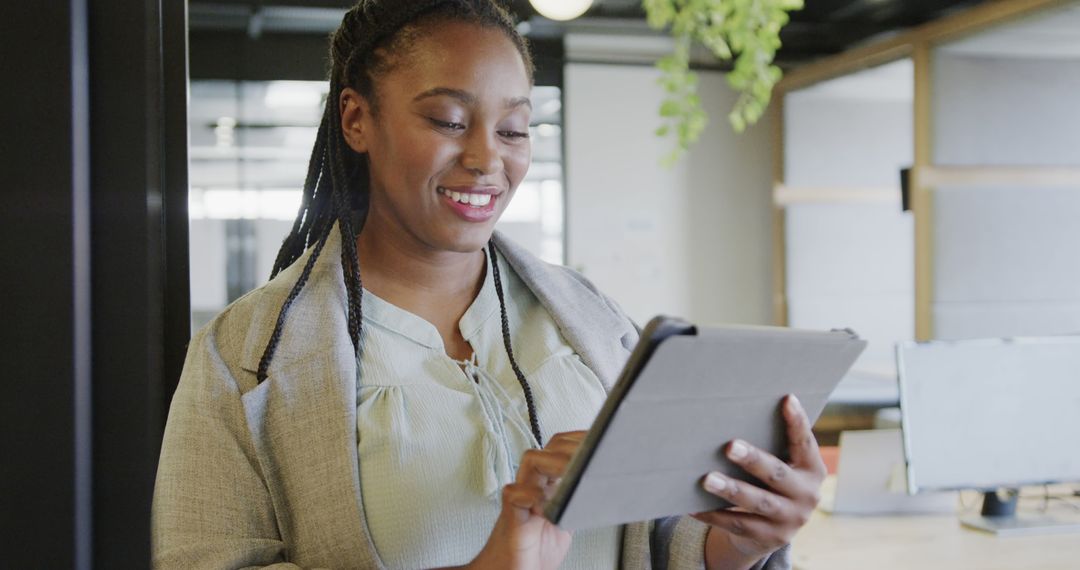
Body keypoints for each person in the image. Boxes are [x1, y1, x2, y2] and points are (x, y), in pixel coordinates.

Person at [152, 1, 826, 568]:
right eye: (448, 120)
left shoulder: (588, 319)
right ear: (357, 119)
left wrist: (741, 539)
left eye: (513, 129)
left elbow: (656, 536)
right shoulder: (238, 356)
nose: (486, 159)